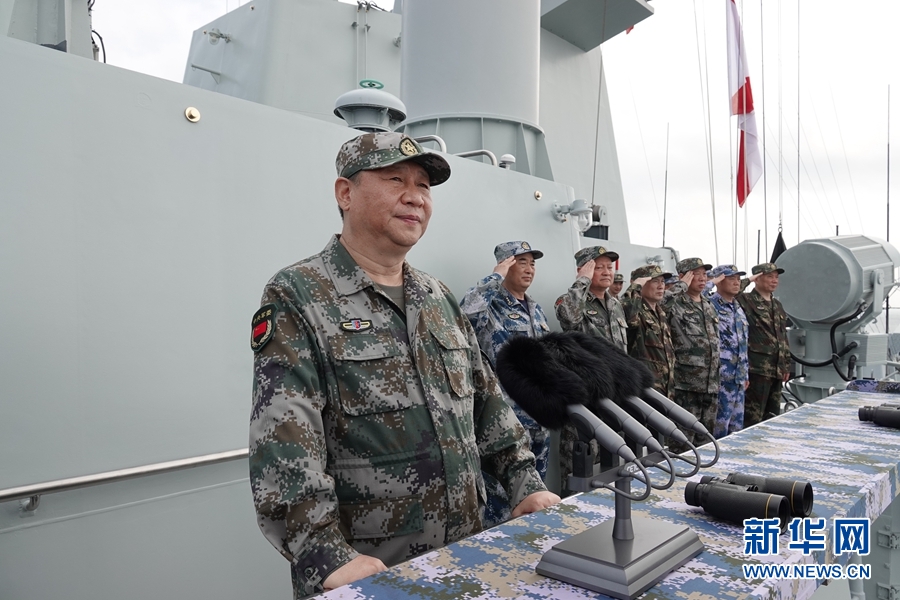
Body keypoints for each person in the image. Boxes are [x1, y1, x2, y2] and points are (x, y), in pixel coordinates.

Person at [249, 132, 559, 598]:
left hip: (464, 557)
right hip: (370, 571)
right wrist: (326, 555)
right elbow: (284, 438)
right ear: (346, 193)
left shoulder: (437, 296)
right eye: (395, 180)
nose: (415, 197)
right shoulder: (299, 293)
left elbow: (487, 402)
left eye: (424, 186)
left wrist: (525, 484)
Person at [459, 241, 551, 525]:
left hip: (538, 417)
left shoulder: (535, 309)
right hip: (505, 422)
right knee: (501, 502)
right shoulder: (490, 305)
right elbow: (465, 315)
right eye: (521, 262)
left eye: (532, 263)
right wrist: (495, 277)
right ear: (506, 265)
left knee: (537, 496)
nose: (529, 269)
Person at [554, 246, 628, 493]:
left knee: (610, 468)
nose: (607, 272)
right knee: (580, 470)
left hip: (613, 400)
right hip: (585, 401)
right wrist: (581, 281)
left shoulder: (615, 305)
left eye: (609, 267)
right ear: (583, 270)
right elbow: (569, 318)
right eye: (598, 267)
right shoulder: (570, 301)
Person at [662, 258, 720, 451]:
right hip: (685, 385)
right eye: (696, 274)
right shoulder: (674, 303)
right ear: (683, 277)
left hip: (711, 383)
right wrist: (680, 286)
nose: (702, 278)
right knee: (682, 442)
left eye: (704, 274)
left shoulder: (708, 305)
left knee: (706, 441)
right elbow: (658, 304)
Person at [736, 262, 791, 426]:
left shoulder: (777, 305)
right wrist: (749, 279)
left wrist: (786, 364)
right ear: (758, 279)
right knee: (753, 417)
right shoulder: (746, 300)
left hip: (776, 369)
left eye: (776, 277)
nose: (774, 281)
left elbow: (782, 336)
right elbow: (731, 291)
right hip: (757, 369)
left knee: (772, 416)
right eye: (769, 277)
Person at [705, 265, 750, 438]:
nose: (736, 283)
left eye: (738, 279)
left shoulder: (737, 307)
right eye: (731, 279)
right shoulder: (710, 304)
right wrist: (711, 282)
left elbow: (742, 343)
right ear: (719, 281)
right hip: (721, 377)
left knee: (736, 429)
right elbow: (692, 296)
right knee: (719, 428)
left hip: (738, 378)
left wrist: (745, 374)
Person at [621, 264, 676, 397]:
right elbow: (626, 308)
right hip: (645, 390)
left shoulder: (660, 313)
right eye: (655, 281)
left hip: (666, 388)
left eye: (662, 281)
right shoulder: (636, 311)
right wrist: (635, 286)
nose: (661, 286)